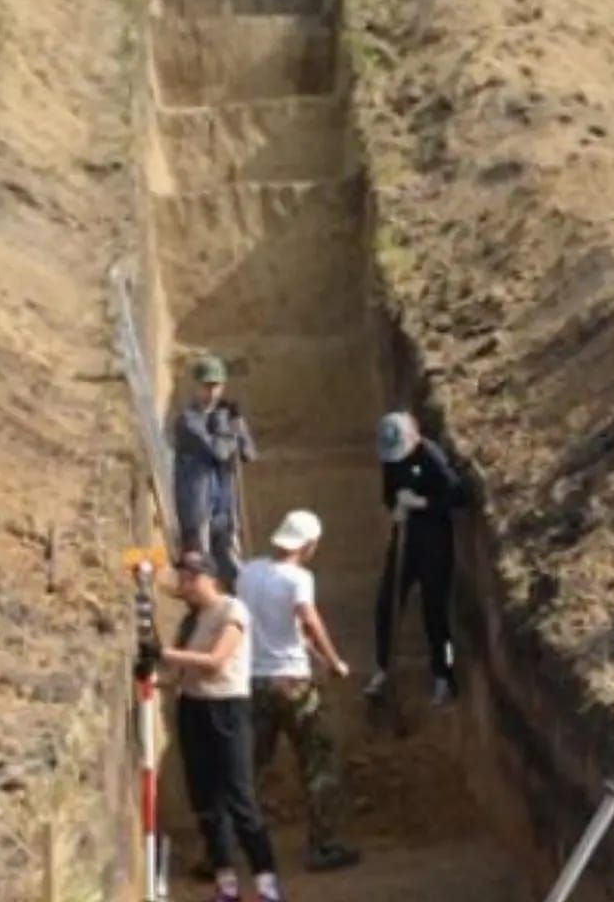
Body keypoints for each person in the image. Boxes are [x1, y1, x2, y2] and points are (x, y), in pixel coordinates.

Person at [145, 551, 282, 902]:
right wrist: (149, 672)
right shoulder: (191, 620)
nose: (186, 585)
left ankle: (266, 885)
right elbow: (177, 674)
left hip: (227, 708)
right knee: (206, 800)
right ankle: (226, 884)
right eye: (183, 578)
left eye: (192, 577)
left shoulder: (231, 610)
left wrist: (164, 655)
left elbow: (216, 662)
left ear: (211, 577)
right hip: (194, 708)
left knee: (240, 798)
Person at [236, 510, 359, 873]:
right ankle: (323, 847)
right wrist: (334, 661)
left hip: (254, 682)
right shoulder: (299, 579)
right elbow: (307, 619)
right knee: (319, 764)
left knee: (250, 769)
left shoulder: (248, 573)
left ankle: (225, 852)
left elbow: (283, 629)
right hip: (292, 683)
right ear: (307, 545)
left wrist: (317, 655)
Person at [364, 412, 466, 706]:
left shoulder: (431, 456)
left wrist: (424, 503)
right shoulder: (391, 460)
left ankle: (444, 675)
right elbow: (388, 494)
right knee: (387, 603)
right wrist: (395, 507)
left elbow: (459, 495)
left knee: (435, 611)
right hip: (405, 540)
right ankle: (383, 668)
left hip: (435, 541)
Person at [173, 355, 255, 591]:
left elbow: (248, 453)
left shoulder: (227, 417)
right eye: (206, 386)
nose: (211, 392)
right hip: (199, 510)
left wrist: (238, 423)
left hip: (225, 507)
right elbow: (218, 452)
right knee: (202, 571)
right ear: (196, 386)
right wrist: (222, 423)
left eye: (216, 386)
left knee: (232, 568)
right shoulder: (188, 421)